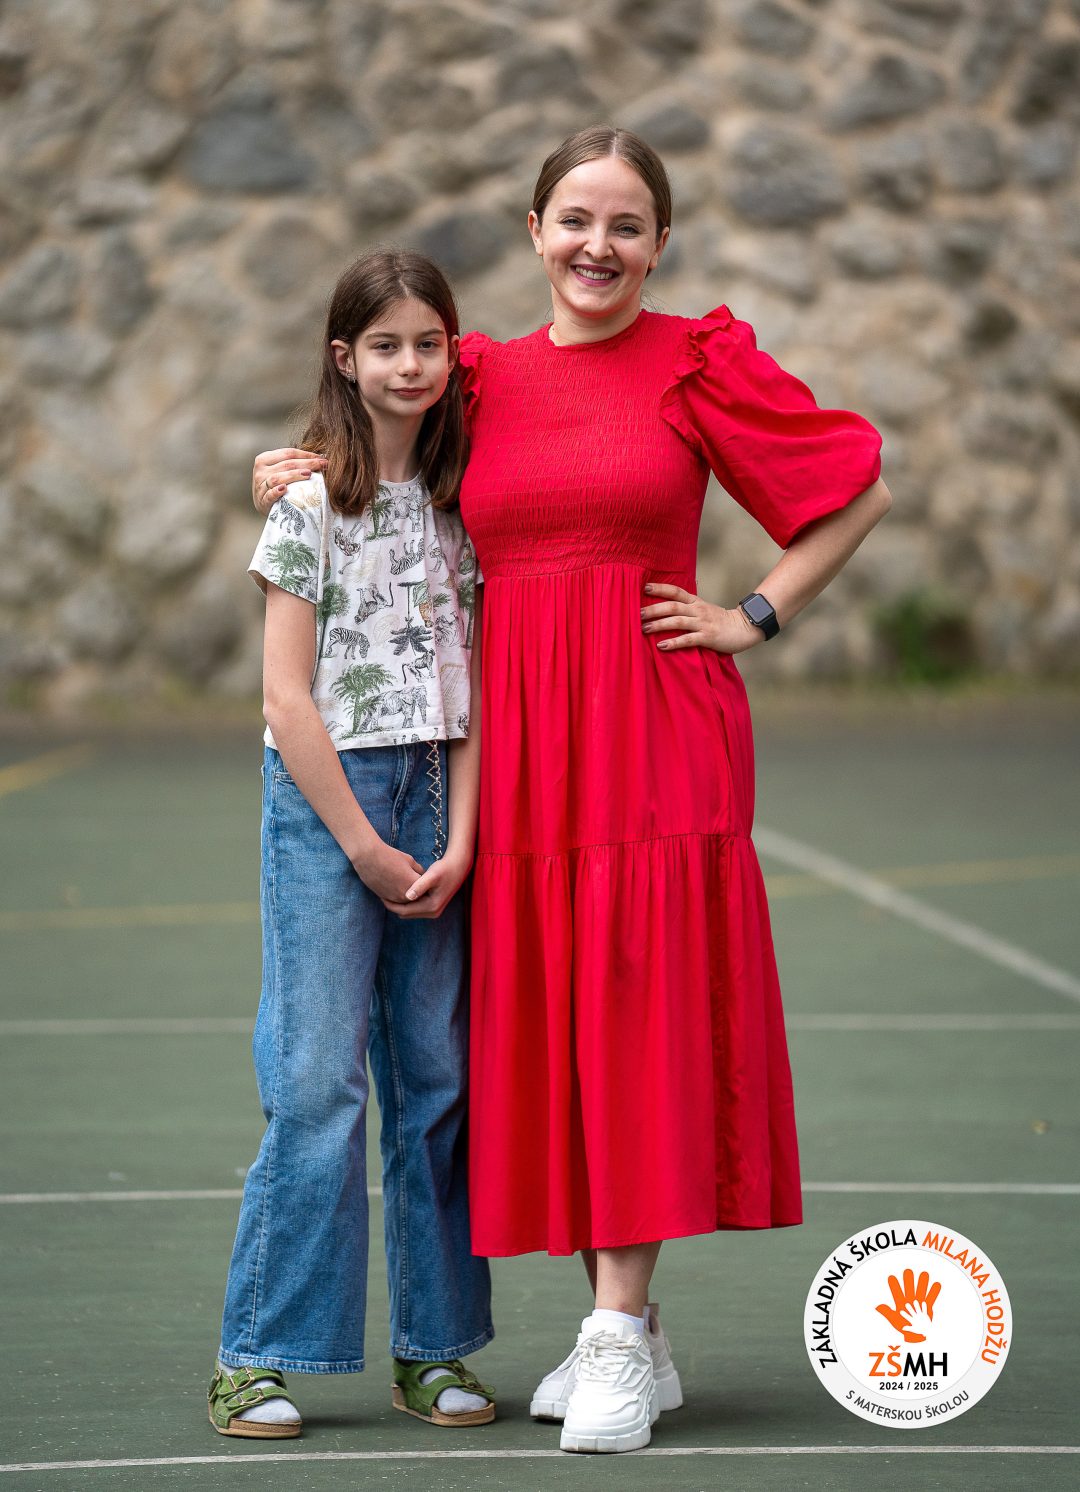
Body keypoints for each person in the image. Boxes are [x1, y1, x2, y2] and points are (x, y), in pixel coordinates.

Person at [252, 125, 891, 1455]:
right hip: (517, 748)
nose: (598, 246)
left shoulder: (698, 362)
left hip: (656, 731)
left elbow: (853, 491)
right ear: (536, 231)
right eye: (576, 220)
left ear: (659, 244)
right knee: (555, 1022)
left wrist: (754, 615)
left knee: (635, 1010)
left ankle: (611, 1324)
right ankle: (635, 1334)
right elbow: (372, 443)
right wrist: (285, 467)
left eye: (627, 225)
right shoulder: (480, 378)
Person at [209, 250, 494, 1442]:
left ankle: (433, 1348)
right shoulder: (308, 505)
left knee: (437, 1080)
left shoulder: (472, 502)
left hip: (439, 793)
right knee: (319, 1080)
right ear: (346, 358)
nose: (410, 364)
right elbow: (286, 699)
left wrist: (460, 838)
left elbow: (476, 697)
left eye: (429, 343)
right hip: (331, 799)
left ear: (452, 353)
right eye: (386, 345)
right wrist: (366, 846)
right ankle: (256, 1353)